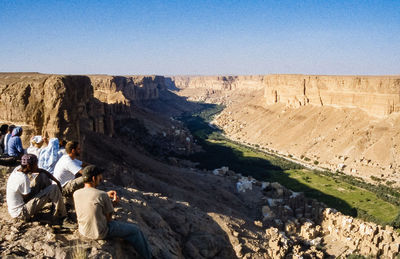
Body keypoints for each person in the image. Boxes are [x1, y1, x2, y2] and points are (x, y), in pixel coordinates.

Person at [73, 166, 151, 259]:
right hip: (99, 232)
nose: (101, 178)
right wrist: (113, 204)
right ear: (94, 178)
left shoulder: (76, 193)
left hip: (83, 230)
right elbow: (109, 220)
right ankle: (148, 257)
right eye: (99, 176)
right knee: (135, 231)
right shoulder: (101, 195)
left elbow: (90, 199)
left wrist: (105, 196)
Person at [6, 154, 66, 221]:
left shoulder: (18, 169)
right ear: (29, 166)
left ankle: (54, 201)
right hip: (21, 213)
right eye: (35, 164)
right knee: (53, 188)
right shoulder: (23, 179)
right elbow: (26, 199)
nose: (37, 167)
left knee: (42, 176)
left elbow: (41, 171)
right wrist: (44, 195)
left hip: (19, 205)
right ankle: (61, 217)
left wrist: (56, 181)